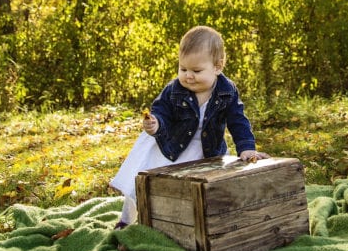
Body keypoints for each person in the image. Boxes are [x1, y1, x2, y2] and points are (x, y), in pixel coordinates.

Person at [110, 25, 269, 226]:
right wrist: (155, 124)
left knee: (196, 189)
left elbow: (238, 120)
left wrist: (246, 148)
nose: (188, 76)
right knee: (142, 183)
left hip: (206, 150)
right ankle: (127, 219)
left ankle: (187, 222)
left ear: (217, 67)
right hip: (170, 145)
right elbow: (161, 111)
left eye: (196, 70)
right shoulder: (174, 89)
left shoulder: (226, 91)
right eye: (182, 69)